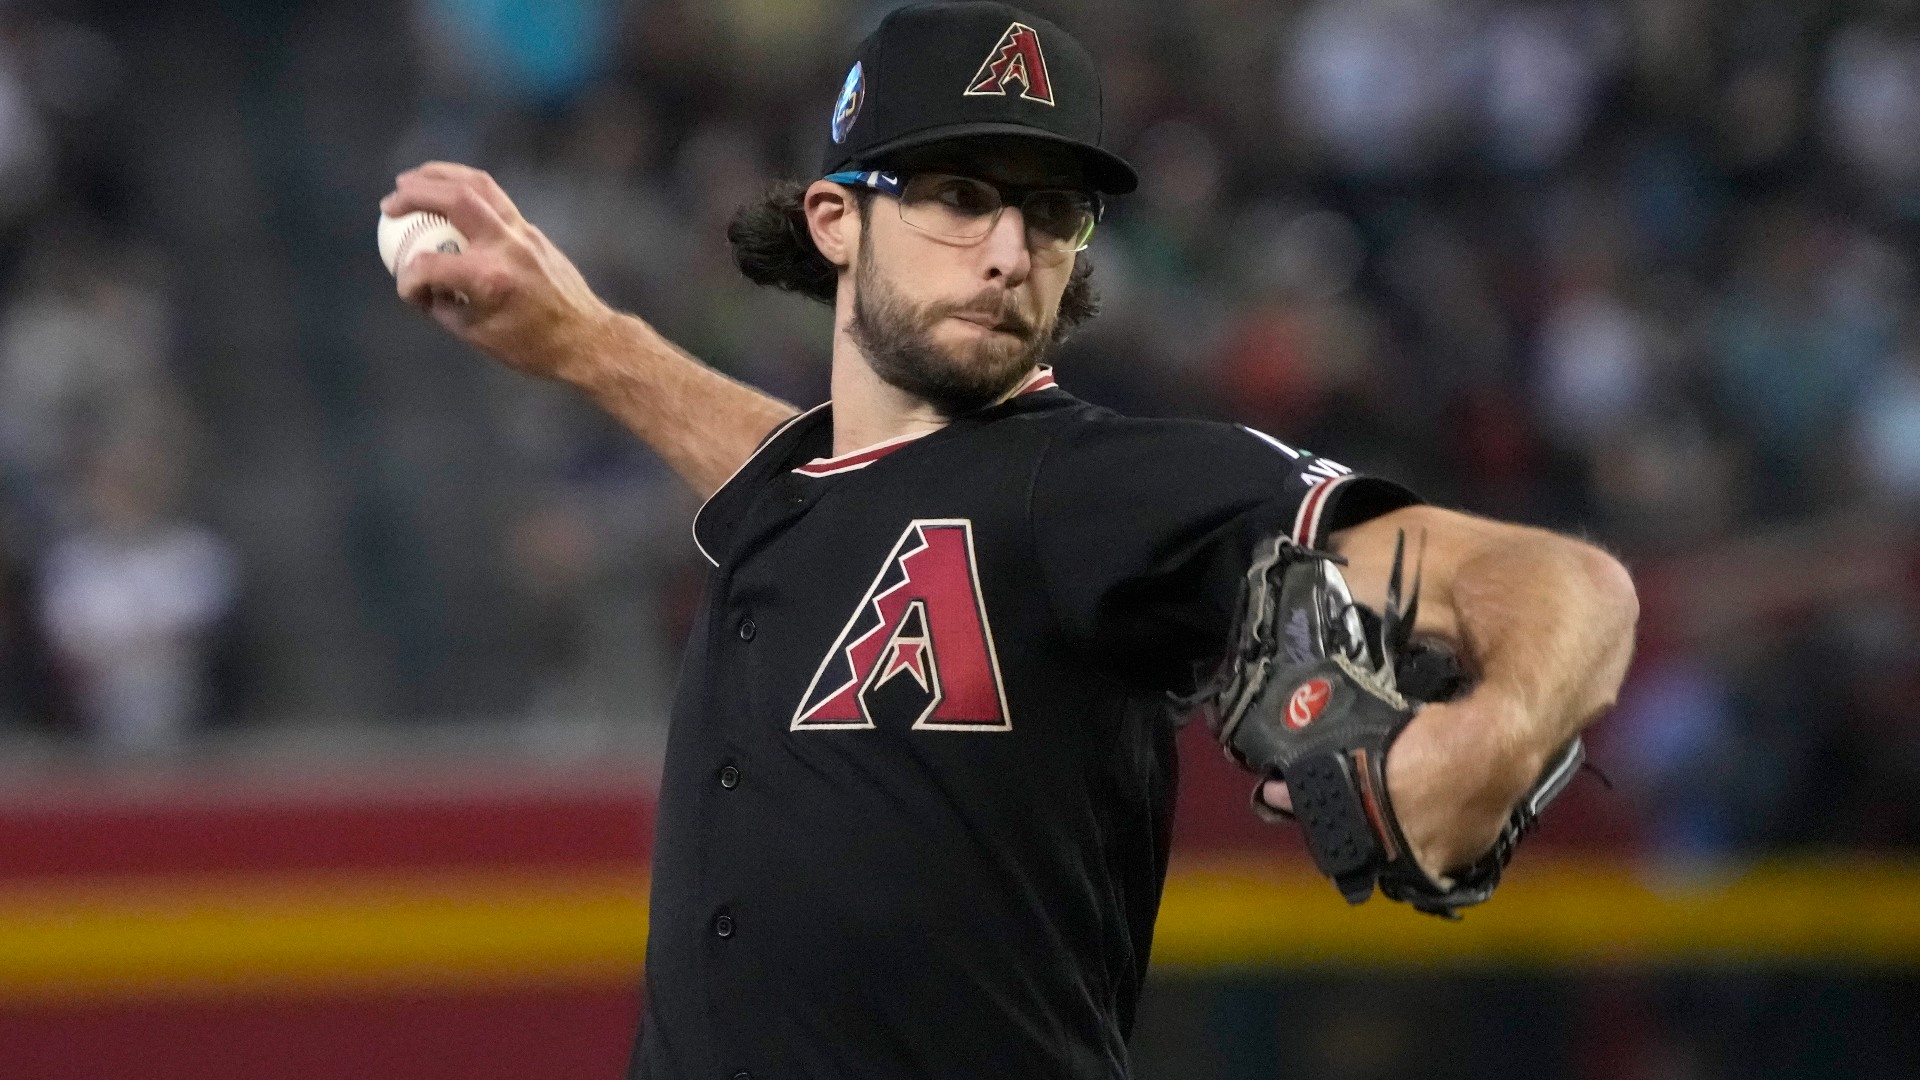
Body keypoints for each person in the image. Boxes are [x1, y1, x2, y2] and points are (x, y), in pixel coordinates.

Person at [382, 4, 1639, 1077]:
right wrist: (591, 346)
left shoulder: (1099, 485)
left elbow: (1563, 582)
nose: (1007, 250)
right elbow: (825, 476)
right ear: (834, 219)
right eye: (957, 195)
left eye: (1052, 213)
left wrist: (1498, 730)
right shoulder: (818, 494)